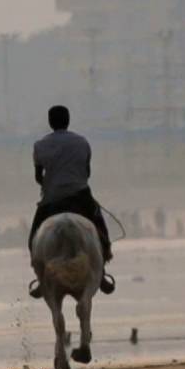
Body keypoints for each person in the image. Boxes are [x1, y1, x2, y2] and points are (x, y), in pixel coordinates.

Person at [27, 105, 114, 299]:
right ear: (68, 120)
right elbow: (87, 172)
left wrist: (50, 185)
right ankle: (101, 274)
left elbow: (38, 177)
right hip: (80, 195)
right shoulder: (82, 142)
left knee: (33, 238)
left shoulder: (40, 146)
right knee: (101, 231)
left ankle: (41, 280)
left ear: (50, 122)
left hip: (52, 199)